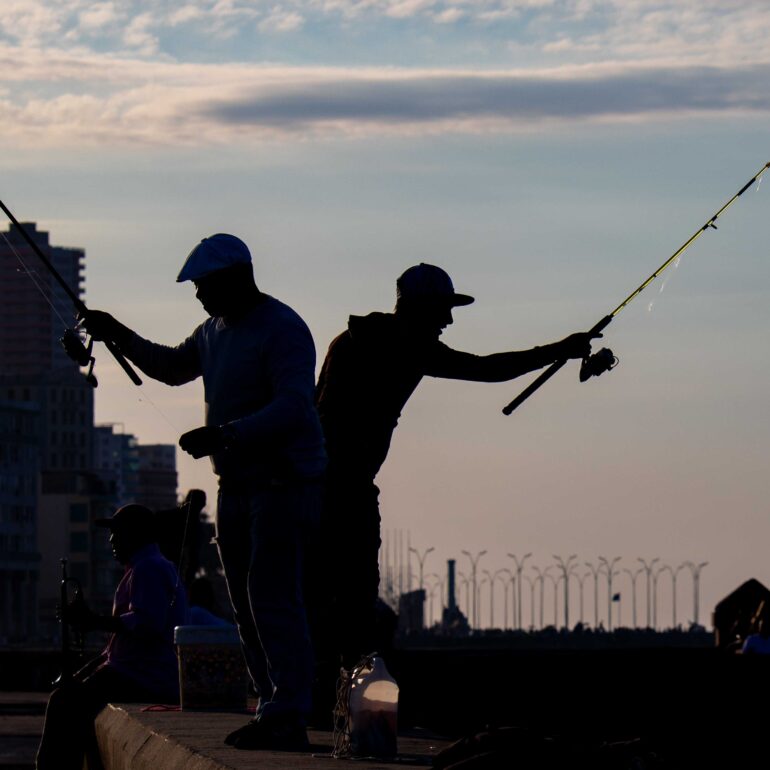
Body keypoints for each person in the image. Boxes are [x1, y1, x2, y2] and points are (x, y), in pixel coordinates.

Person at [83, 234, 326, 751]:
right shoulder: (211, 332)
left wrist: (226, 434)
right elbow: (171, 367)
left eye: (204, 286)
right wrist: (116, 333)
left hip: (282, 485)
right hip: (235, 486)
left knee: (272, 599)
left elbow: (295, 406)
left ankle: (288, 712)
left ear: (237, 279)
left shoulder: (282, 328)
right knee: (244, 604)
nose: (198, 296)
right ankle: (270, 706)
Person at [312, 263, 599, 668]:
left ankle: (319, 685)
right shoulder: (406, 345)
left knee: (324, 598)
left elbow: (313, 408)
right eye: (443, 310)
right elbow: (487, 369)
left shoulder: (350, 341)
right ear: (419, 309)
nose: (448, 321)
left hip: (313, 485)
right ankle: (339, 688)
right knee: (354, 603)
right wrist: (559, 350)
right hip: (345, 490)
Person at [36, 504, 187, 770]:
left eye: (117, 533)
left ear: (134, 534)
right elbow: (120, 647)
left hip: (144, 677)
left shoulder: (148, 569)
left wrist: (92, 621)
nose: (111, 541)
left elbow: (146, 624)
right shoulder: (147, 567)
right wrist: (88, 669)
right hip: (138, 672)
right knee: (68, 697)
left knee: (62, 703)